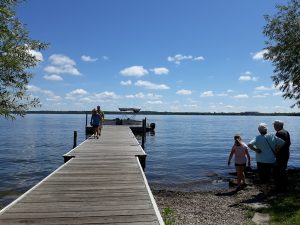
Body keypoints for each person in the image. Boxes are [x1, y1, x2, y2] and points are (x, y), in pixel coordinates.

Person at [248, 123, 285, 192]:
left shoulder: (257, 137)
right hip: (271, 159)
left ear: (259, 130)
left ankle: (264, 190)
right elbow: (282, 142)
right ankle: (270, 189)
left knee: (262, 176)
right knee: (270, 175)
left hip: (260, 160)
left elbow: (249, 145)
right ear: (266, 130)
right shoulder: (271, 136)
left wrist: (256, 150)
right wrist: (276, 149)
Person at [273, 120, 291, 192]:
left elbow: (277, 145)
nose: (274, 126)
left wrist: (275, 152)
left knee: (277, 171)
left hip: (280, 155)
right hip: (286, 153)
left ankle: (279, 187)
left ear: (278, 126)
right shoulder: (286, 132)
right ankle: (284, 186)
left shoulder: (279, 133)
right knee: (283, 169)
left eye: (274, 125)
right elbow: (289, 143)